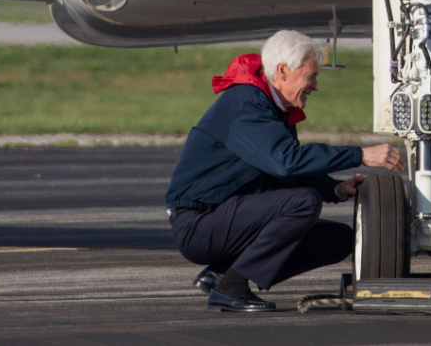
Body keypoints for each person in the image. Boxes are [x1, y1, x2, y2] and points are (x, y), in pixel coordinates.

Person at [165, 30, 405, 312]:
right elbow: (286, 161)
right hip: (199, 223)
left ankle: (222, 273)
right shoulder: (247, 103)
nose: (315, 86)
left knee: (338, 240)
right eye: (311, 76)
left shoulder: (271, 105)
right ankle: (232, 288)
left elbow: (285, 172)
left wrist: (335, 189)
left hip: (225, 215)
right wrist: (361, 154)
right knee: (303, 202)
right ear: (283, 71)